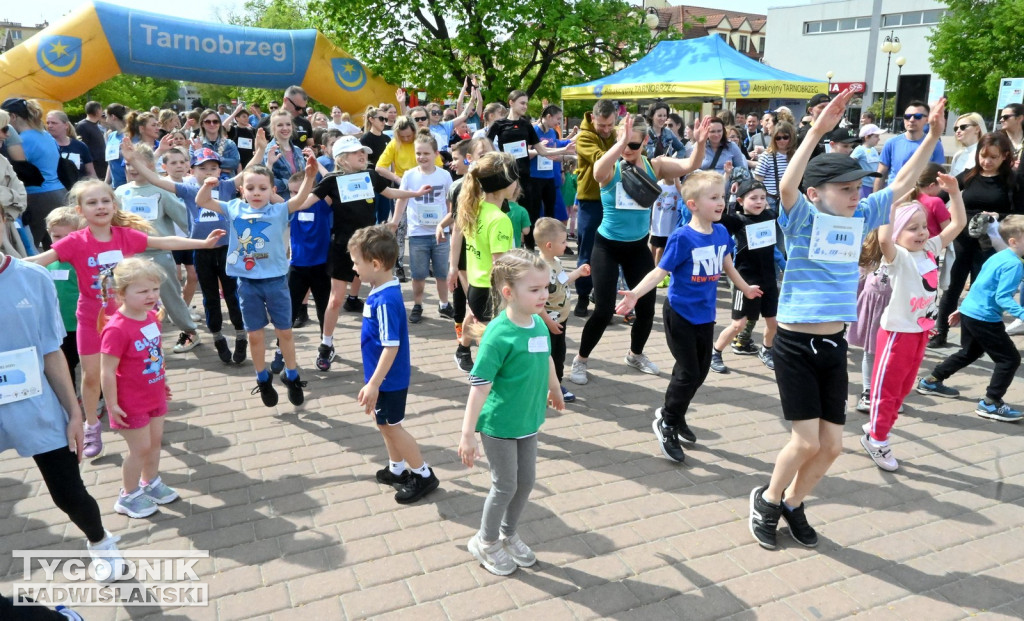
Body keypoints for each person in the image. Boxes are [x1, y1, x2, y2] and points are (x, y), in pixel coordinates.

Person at [748, 90, 945, 551]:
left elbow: (901, 185)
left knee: (832, 445)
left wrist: (933, 138)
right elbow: (787, 187)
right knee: (803, 442)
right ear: (818, 195)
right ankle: (768, 499)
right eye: (846, 189)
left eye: (858, 188)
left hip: (834, 345)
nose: (856, 195)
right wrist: (816, 130)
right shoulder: (802, 218)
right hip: (795, 344)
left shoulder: (864, 215)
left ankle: (795, 503)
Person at [27, 179, 223, 460]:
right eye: (92, 203)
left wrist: (202, 244)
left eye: (105, 201)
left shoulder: (124, 236)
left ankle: (141, 420)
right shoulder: (74, 241)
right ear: (81, 211)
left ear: (114, 205)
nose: (100, 207)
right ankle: (92, 424)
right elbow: (40, 260)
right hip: (91, 321)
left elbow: (163, 241)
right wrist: (6, 264)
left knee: (132, 372)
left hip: (127, 321)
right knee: (92, 376)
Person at [0, 246, 126, 583]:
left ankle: (100, 541)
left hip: (36, 405)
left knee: (68, 493)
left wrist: (75, 413)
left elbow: (51, 352)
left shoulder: (33, 277)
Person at [615, 170, 761, 461]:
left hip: (705, 315)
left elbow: (728, 263)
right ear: (693, 204)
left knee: (700, 371)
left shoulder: (721, 232)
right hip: (680, 313)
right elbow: (660, 271)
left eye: (722, 197)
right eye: (714, 198)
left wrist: (745, 288)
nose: (721, 202)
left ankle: (676, 413)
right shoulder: (682, 237)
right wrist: (635, 294)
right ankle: (667, 420)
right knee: (688, 372)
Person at [568, 115, 710, 386]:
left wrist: (700, 144)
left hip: (637, 247)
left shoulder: (653, 165)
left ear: (645, 141)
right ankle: (581, 360)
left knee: (646, 309)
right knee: (604, 309)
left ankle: (635, 354)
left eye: (633, 144)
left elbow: (691, 164)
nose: (627, 150)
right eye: (623, 143)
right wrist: (620, 142)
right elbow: (598, 171)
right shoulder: (612, 166)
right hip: (607, 246)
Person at [459, 249, 564, 576]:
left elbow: (546, 357)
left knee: (526, 482)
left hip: (528, 421)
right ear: (508, 292)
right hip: (499, 425)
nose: (544, 295)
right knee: (505, 485)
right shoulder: (498, 334)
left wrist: (555, 387)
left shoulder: (538, 324)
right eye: (534, 290)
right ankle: (486, 541)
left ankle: (508, 533)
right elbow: (478, 386)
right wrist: (467, 434)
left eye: (546, 287)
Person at [860, 174, 966, 470]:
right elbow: (883, 238)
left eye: (923, 227)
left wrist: (955, 193)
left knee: (905, 388)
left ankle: (877, 431)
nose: (921, 233)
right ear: (897, 233)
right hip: (896, 334)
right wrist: (890, 204)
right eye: (912, 228)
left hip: (920, 332)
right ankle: (878, 440)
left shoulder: (930, 249)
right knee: (887, 390)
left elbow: (957, 225)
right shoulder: (899, 257)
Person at [195, 157, 316, 407]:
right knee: (255, 336)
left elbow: (300, 199)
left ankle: (291, 375)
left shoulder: (278, 210)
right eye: (250, 188)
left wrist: (310, 176)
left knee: (285, 332)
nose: (256, 193)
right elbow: (202, 201)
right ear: (242, 190)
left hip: (276, 282)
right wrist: (208, 184)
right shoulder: (234, 207)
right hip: (247, 283)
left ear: (273, 190)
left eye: (262, 188)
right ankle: (262, 377)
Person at [305, 136, 429, 371]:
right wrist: (275, 203)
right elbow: (304, 202)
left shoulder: (371, 176)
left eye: (363, 152)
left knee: (379, 296)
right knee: (335, 300)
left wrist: (415, 193)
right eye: (355, 153)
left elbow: (391, 193)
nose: (362, 155)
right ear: (342, 158)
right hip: (342, 246)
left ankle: (385, 342)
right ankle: (326, 344)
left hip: (370, 245)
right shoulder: (331, 180)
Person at [121, 144, 248, 365]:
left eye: (213, 167)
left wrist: (263, 150)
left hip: (227, 250)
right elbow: (158, 180)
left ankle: (240, 335)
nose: (209, 172)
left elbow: (250, 169)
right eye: (203, 168)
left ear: (220, 170)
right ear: (192, 170)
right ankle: (217, 337)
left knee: (232, 294)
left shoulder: (227, 187)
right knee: (209, 297)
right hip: (202, 251)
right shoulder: (189, 191)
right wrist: (135, 161)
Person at [349, 225, 440, 503]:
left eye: (356, 262)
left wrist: (374, 383)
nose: (354, 268)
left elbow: (391, 345)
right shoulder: (380, 289)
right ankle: (397, 469)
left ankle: (422, 474)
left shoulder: (385, 300)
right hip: (382, 377)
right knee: (384, 422)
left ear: (375, 264)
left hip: (388, 378)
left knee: (391, 426)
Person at [917, 215, 1024, 422]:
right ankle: (991, 402)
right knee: (1009, 359)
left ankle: (931, 381)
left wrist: (963, 309)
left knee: (969, 352)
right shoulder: (1014, 265)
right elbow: (1002, 297)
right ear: (1014, 241)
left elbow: (978, 284)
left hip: (971, 312)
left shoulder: (998, 255)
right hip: (984, 318)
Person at [98, 258, 180, 518]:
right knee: (140, 449)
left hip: (154, 394)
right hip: (129, 402)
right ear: (122, 293)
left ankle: (151, 482)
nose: (151, 296)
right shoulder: (117, 329)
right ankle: (128, 494)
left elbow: (155, 354)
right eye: (143, 291)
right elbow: (107, 371)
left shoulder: (152, 318)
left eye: (154, 289)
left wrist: (163, 381)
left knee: (155, 443)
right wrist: (112, 404)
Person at [929, 132, 1016, 348]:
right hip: (961, 239)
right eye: (983, 156)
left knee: (980, 290)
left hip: (990, 243)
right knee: (951, 288)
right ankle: (941, 332)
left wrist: (999, 216)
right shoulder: (968, 176)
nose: (986, 162)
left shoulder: (1012, 181)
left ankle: (972, 339)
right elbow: (940, 198)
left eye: (993, 157)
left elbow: (1019, 213)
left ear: (1005, 156)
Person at [115, 145, 202, 354]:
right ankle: (135, 338)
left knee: (171, 297)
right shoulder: (120, 192)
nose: (132, 168)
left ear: (150, 166)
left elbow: (185, 219)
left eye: (137, 164)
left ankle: (190, 332)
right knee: (129, 299)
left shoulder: (162, 190)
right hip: (129, 257)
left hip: (159, 255)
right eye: (128, 164)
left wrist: (203, 241)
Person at [452, 151, 518, 371]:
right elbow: (500, 266)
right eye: (515, 177)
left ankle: (464, 352)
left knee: (475, 319)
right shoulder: (500, 220)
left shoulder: (475, 207)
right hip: (491, 291)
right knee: (491, 343)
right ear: (505, 183)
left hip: (475, 285)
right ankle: (484, 379)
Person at [487, 90, 574, 249]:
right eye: (522, 103)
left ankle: (529, 249)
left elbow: (542, 151)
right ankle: (504, 246)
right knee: (505, 212)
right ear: (511, 102)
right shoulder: (499, 125)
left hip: (525, 177)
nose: (525, 106)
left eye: (526, 103)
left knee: (529, 215)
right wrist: (498, 159)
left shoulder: (527, 125)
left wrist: (564, 150)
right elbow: (486, 146)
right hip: (506, 176)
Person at [709, 179, 779, 374]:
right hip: (745, 280)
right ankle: (715, 352)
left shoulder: (771, 215)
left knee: (773, 322)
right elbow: (719, 217)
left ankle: (766, 350)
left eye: (763, 198)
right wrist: (728, 195)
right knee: (738, 324)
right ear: (741, 200)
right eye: (753, 198)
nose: (759, 202)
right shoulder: (736, 220)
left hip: (769, 279)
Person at [389, 133, 454, 323]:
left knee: (442, 272)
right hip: (417, 233)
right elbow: (402, 199)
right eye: (418, 153)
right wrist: (395, 221)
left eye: (426, 153)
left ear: (436, 154)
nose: (422, 157)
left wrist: (451, 224)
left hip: (440, 232)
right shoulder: (409, 175)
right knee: (418, 274)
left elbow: (450, 202)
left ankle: (444, 304)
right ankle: (417, 305)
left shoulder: (444, 175)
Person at [533, 218, 590, 403]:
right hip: (548, 322)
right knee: (549, 356)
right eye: (564, 242)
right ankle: (551, 387)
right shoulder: (541, 269)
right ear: (549, 245)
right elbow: (537, 303)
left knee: (559, 353)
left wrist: (578, 272)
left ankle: (553, 384)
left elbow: (563, 280)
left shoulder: (556, 261)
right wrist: (548, 322)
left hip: (560, 319)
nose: (567, 245)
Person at [573, 99, 620, 317]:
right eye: (602, 125)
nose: (607, 129)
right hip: (590, 202)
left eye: (610, 125)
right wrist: (623, 145)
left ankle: (604, 301)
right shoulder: (584, 137)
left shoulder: (618, 134)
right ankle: (583, 296)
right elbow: (600, 159)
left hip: (615, 201)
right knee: (587, 250)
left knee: (611, 253)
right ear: (592, 119)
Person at [1, 98, 66, 249]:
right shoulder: (46, 135)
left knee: (30, 247)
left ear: (13, 117)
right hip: (58, 192)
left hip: (37, 196)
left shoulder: (23, 140)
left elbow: (17, 169)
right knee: (57, 248)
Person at [45, 208, 83, 385]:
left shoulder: (83, 261)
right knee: (66, 365)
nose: (62, 242)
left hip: (82, 325)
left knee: (89, 365)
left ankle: (98, 398)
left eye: (68, 236)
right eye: (56, 236)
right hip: (59, 326)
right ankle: (72, 400)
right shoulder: (47, 262)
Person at [874, 100, 946, 192]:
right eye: (907, 116)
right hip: (894, 195)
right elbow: (881, 173)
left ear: (927, 119)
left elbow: (938, 175)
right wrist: (876, 201)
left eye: (917, 116)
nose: (911, 120)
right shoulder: (891, 143)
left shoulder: (935, 144)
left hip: (921, 196)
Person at [264, 109, 308, 200]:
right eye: (280, 125)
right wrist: (290, 184)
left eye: (288, 124)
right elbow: (266, 181)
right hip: (281, 201)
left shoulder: (298, 150)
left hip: (301, 200)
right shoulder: (269, 151)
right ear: (273, 128)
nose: (285, 128)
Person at [754, 122, 796, 209]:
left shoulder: (796, 155)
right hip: (771, 200)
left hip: (791, 200)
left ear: (791, 138)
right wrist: (763, 200)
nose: (782, 141)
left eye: (785, 137)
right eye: (778, 138)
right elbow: (758, 181)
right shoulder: (767, 155)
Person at [46, 111, 96, 181]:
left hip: (79, 188)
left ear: (66, 125)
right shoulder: (45, 146)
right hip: (57, 189)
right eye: (48, 123)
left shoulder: (80, 146)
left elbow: (91, 173)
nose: (50, 126)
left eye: (54, 123)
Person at [75, 101, 107, 180]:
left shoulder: (94, 125)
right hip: (94, 169)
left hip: (102, 167)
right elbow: (81, 148)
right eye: (101, 110)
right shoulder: (82, 126)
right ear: (97, 111)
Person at [851, 124, 884, 199]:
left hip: (873, 185)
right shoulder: (860, 149)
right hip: (863, 185)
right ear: (867, 137)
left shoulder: (874, 150)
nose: (878, 139)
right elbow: (850, 162)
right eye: (876, 136)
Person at [949, 112, 985, 177]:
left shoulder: (985, 154)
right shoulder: (958, 155)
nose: (958, 131)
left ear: (977, 129)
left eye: (963, 127)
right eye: (956, 128)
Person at [796, 93, 831, 158]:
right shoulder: (804, 133)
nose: (826, 110)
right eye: (821, 107)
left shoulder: (834, 130)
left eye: (828, 107)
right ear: (810, 110)